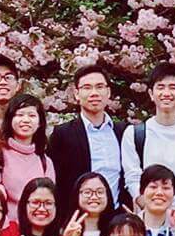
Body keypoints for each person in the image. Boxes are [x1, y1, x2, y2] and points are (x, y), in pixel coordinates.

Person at [119, 62, 175, 203]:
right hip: (145, 215)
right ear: (151, 94)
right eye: (160, 87)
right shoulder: (134, 134)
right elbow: (132, 177)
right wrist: (146, 205)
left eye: (172, 87)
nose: (166, 93)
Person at [47, 63, 125, 215]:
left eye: (100, 86)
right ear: (76, 93)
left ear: (108, 92)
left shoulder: (123, 131)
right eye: (87, 87)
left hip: (117, 218)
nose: (94, 93)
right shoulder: (62, 134)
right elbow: (56, 182)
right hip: (78, 219)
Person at [0, 176, 65, 236]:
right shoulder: (8, 235)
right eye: (35, 202)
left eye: (48, 203)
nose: (42, 209)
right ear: (24, 205)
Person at [0, 93, 54, 206]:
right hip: (6, 222)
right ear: (10, 119)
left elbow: (49, 200)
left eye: (32, 115)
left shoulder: (45, 162)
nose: (26, 120)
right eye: (20, 115)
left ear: (39, 123)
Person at [58, 170, 116, 236]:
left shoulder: (116, 230)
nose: (94, 197)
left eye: (100, 192)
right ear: (77, 195)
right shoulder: (65, 232)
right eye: (87, 192)